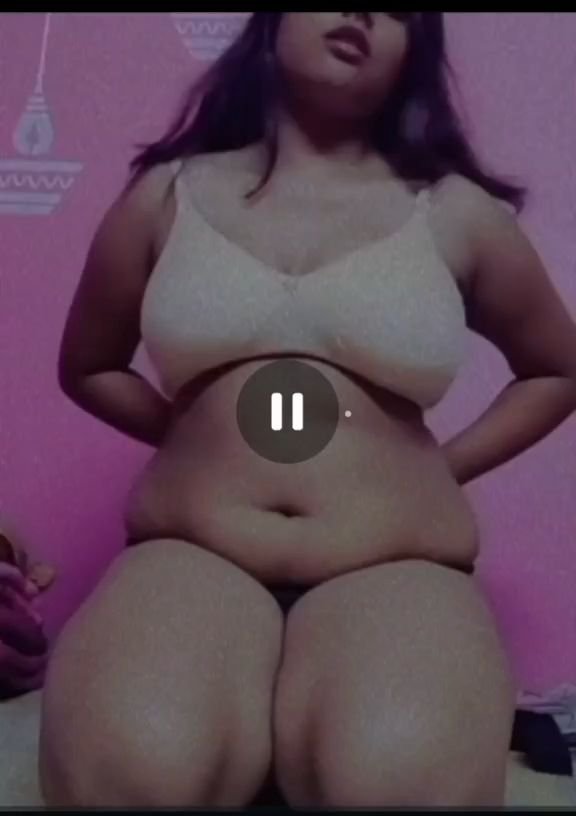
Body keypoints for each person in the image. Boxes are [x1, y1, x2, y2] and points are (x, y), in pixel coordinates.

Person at [40, 12, 576, 808]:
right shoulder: (166, 195)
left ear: (414, 53)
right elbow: (88, 365)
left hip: (394, 564)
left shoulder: (455, 211)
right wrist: (197, 443)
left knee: (398, 787)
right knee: (132, 774)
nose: (362, 12)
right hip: (193, 554)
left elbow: (558, 370)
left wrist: (439, 467)